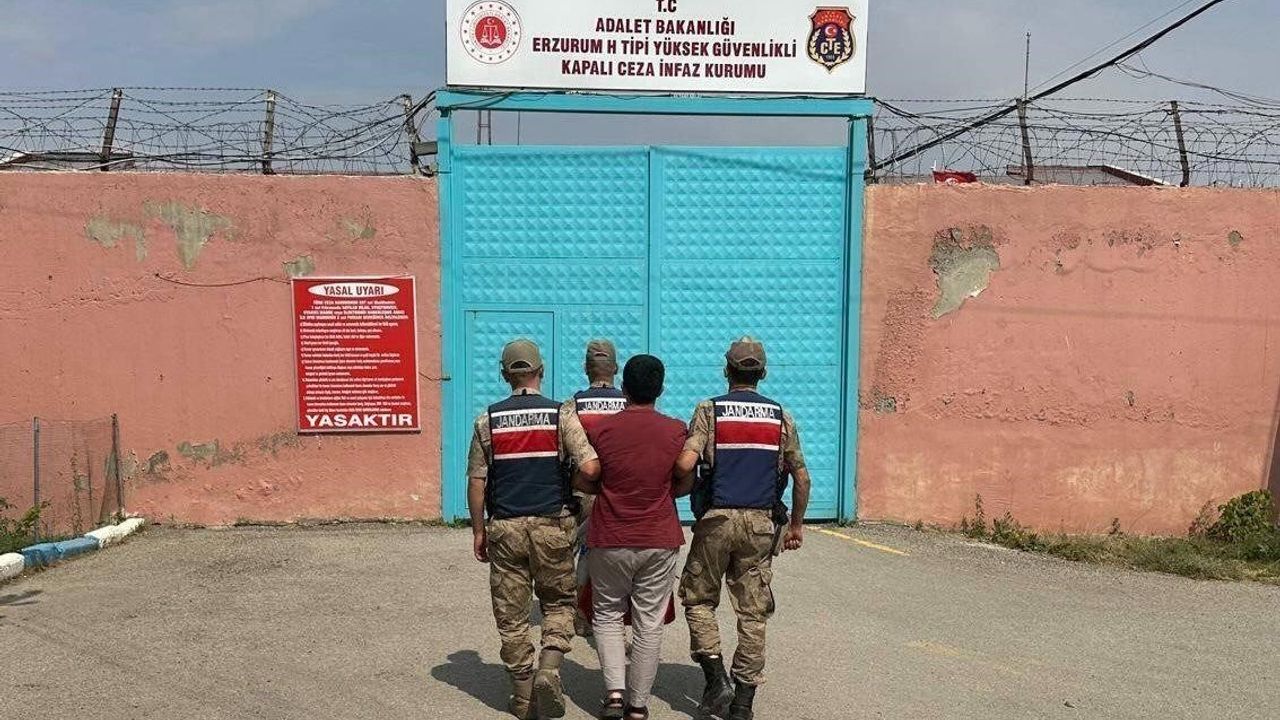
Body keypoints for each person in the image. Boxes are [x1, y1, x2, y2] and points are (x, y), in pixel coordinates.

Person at [675, 337, 811, 720]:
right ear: (763, 374)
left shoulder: (709, 410)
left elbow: (685, 464)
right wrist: (796, 526)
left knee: (699, 600)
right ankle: (742, 705)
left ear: (726, 371)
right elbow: (802, 477)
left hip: (716, 521)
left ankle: (716, 678)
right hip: (761, 524)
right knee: (753, 613)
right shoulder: (781, 418)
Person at [468, 338, 601, 720]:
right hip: (553, 525)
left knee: (511, 616)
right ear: (541, 371)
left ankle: (523, 697)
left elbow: (476, 481)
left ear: (504, 375)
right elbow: (590, 467)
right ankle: (549, 669)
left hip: (505, 527)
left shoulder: (487, 420)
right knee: (558, 603)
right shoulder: (561, 415)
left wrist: (479, 531)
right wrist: (574, 485)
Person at [574, 354, 690, 720]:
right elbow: (685, 482)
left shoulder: (602, 431)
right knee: (648, 623)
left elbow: (585, 478)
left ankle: (613, 695)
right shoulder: (677, 431)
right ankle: (637, 706)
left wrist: (600, 488)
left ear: (624, 389)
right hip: (659, 536)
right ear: (661, 389)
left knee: (607, 614)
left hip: (609, 535)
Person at [561, 339, 628, 636]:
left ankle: (578, 614)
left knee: (579, 553)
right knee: (620, 555)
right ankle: (616, 618)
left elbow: (562, 452)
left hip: (583, 490)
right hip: (622, 493)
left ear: (585, 369)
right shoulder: (630, 404)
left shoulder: (572, 406)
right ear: (615, 368)